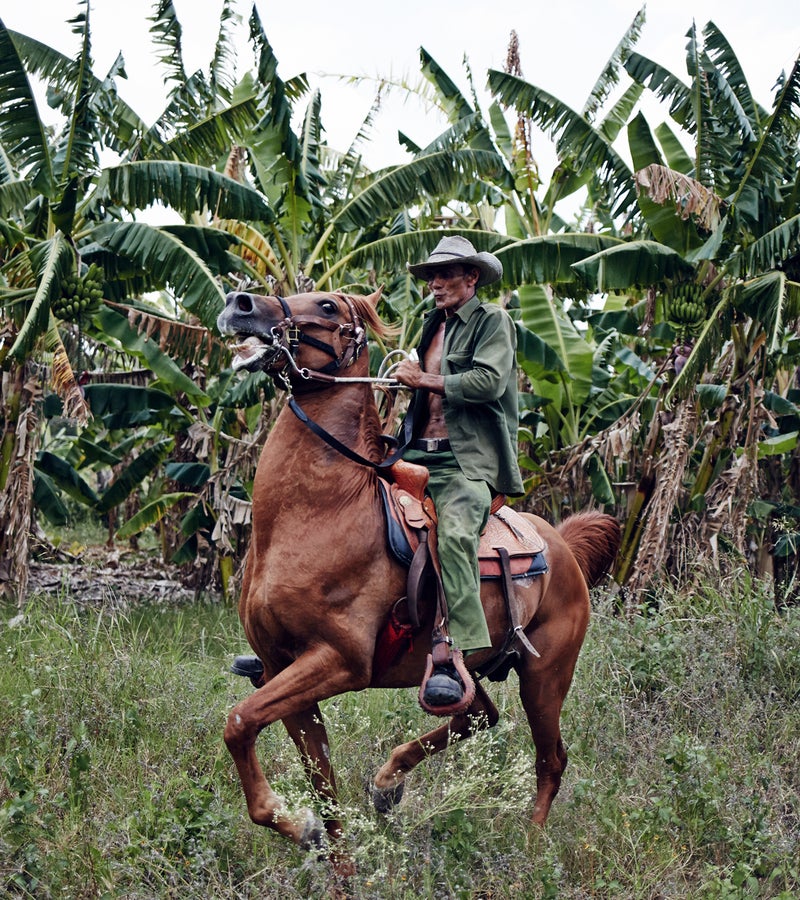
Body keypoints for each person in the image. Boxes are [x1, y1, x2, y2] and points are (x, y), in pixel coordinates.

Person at [394, 235, 524, 708]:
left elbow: (489, 383)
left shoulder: (493, 321)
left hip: (465, 463)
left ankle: (458, 652)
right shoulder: (431, 325)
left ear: (472, 278)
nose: (436, 283)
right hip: (415, 453)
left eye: (446, 274)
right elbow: (422, 391)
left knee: (453, 534)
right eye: (432, 275)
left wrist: (423, 378)